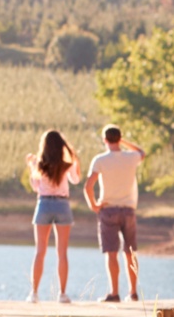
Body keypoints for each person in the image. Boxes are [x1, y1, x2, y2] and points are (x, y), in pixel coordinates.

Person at [83, 124, 145, 303]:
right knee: (130, 252)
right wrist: (123, 141)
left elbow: (88, 186)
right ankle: (133, 293)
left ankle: (114, 292)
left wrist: (94, 205)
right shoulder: (131, 157)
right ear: (119, 139)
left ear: (104, 140)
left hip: (108, 209)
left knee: (111, 253)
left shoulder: (100, 160)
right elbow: (141, 151)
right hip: (129, 209)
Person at [25, 130, 81, 304]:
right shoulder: (66, 164)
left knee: (40, 252)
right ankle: (62, 294)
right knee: (62, 252)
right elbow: (76, 180)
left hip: (44, 204)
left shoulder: (39, 164)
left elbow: (35, 186)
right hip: (62, 205)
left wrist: (30, 166)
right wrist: (75, 161)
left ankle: (34, 293)